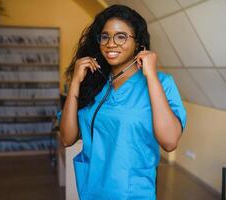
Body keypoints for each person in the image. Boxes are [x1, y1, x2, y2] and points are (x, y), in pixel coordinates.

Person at [59, 4, 187, 200]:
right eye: (105, 36)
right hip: (90, 191)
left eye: (121, 36)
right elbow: (67, 139)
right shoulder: (93, 82)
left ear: (137, 43)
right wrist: (76, 81)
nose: (111, 43)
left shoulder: (161, 83)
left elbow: (169, 142)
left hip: (132, 193)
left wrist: (151, 75)